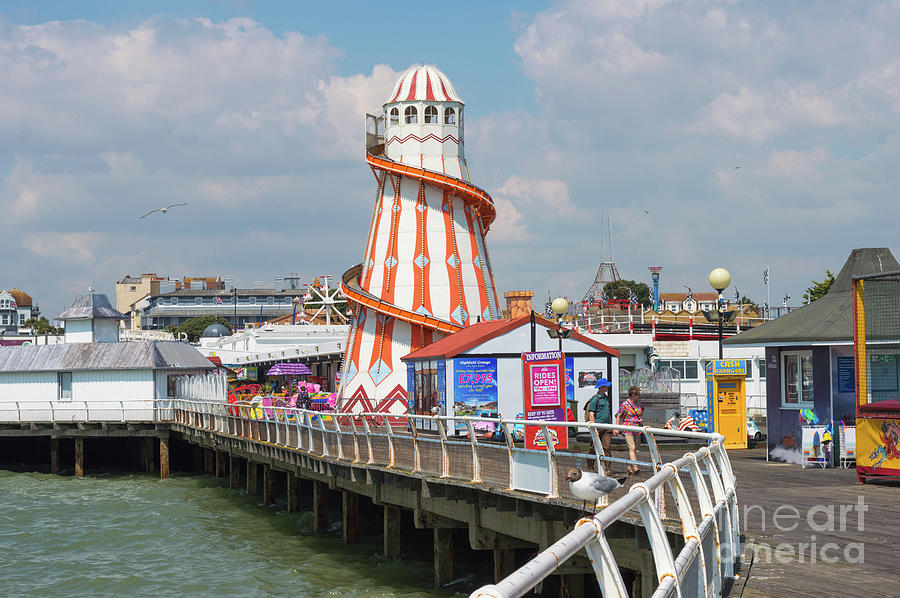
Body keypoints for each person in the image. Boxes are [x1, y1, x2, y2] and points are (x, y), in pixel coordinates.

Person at [615, 385, 644, 475]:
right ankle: (635, 467)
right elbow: (618, 415)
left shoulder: (638, 404)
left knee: (635, 449)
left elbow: (639, 414)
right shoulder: (625, 404)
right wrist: (617, 427)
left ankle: (628, 465)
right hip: (628, 428)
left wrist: (640, 419)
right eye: (638, 394)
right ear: (633, 394)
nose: (639, 396)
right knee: (632, 448)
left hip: (637, 428)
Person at [585, 378, 613, 458]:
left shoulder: (606, 398)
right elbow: (591, 414)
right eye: (606, 386)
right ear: (601, 387)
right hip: (598, 427)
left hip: (607, 427)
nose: (607, 387)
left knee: (607, 447)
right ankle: (590, 466)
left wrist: (611, 426)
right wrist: (594, 428)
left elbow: (608, 413)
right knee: (593, 448)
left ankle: (607, 468)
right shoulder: (595, 399)